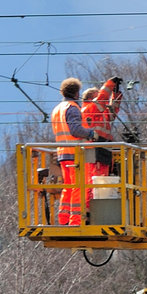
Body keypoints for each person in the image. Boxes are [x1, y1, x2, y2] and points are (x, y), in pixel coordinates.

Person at [51, 77, 98, 225]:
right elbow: (76, 130)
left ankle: (64, 218)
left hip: (63, 154)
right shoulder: (72, 108)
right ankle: (76, 220)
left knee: (69, 186)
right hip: (75, 154)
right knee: (80, 186)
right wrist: (91, 133)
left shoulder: (57, 108)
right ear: (77, 93)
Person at [81, 77, 123, 219]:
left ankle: (97, 210)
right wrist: (109, 85)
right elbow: (101, 100)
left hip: (103, 148)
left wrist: (116, 94)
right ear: (90, 98)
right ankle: (88, 211)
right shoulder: (88, 109)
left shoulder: (100, 112)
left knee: (101, 181)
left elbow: (112, 111)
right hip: (94, 148)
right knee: (94, 181)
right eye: (96, 94)